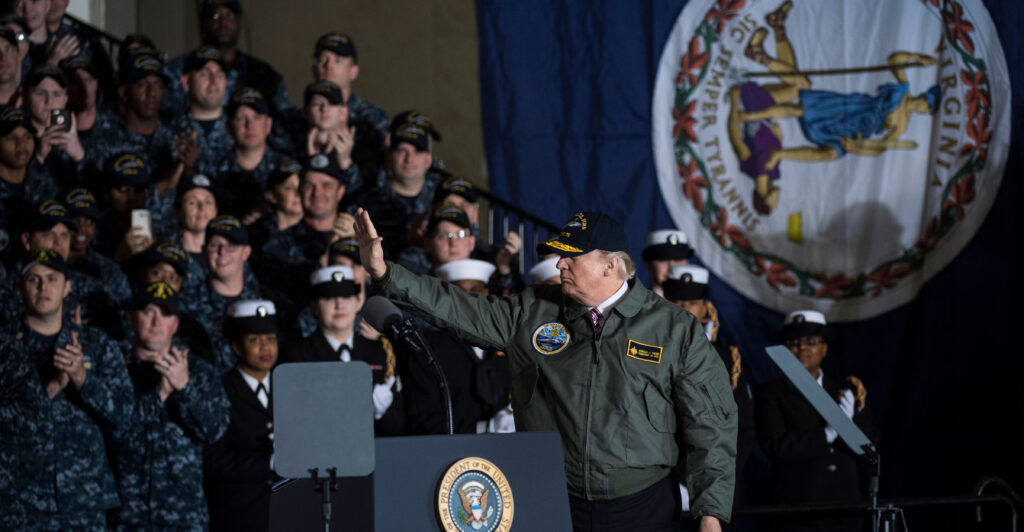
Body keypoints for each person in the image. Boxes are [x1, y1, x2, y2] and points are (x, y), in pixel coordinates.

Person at [355, 208, 737, 531]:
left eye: (572, 256)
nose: (559, 264)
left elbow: (712, 426)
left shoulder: (674, 329)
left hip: (644, 506)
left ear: (611, 265)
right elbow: (457, 308)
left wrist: (711, 513)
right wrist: (385, 273)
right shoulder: (532, 311)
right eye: (559, 254)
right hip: (552, 498)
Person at [0, 247, 132, 529]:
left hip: (83, 502)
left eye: (52, 279)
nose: (43, 287)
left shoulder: (97, 344)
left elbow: (124, 416)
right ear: (20, 287)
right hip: (19, 503)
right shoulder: (5, 346)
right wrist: (50, 388)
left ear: (67, 287)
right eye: (34, 279)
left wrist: (84, 380)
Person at [109, 280, 229, 529]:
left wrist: (185, 388)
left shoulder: (199, 371)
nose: (156, 322)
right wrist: (162, 392)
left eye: (165, 315)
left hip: (184, 515)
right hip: (127, 516)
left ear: (175, 324)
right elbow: (113, 435)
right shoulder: (113, 367)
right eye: (148, 312)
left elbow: (213, 431)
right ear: (132, 318)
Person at [755, 310, 879, 532]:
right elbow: (776, 447)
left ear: (825, 348)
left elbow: (870, 449)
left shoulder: (847, 390)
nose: (802, 348)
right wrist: (826, 435)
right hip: (797, 506)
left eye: (811, 341)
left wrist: (848, 429)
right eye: (794, 342)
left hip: (846, 505)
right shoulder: (772, 392)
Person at [663, 265, 755, 526]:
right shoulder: (646, 353)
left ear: (705, 308)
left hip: (712, 492)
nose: (684, 310)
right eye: (676, 302)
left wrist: (711, 487)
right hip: (660, 488)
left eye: (692, 302)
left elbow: (742, 430)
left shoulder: (728, 359)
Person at [280, 265, 404, 436]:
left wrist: (382, 413)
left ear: (358, 301)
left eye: (346, 296)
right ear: (315, 306)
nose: (339, 305)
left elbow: (399, 426)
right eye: (329, 297)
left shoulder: (379, 351)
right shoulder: (297, 355)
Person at [402, 258, 512, 435]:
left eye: (475, 291)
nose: (468, 300)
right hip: (450, 454)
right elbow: (423, 419)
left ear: (486, 293)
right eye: (460, 292)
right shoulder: (426, 349)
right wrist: (484, 429)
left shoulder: (506, 343)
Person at [205, 299, 282, 532]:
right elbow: (214, 463)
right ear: (236, 347)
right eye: (254, 340)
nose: (265, 348)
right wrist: (268, 462)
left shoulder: (291, 386)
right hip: (240, 515)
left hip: (288, 510)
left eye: (271, 339)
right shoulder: (220, 391)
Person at [162, 0, 289, 122]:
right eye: (216, 16)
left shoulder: (264, 75)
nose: (223, 22)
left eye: (229, 15)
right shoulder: (176, 70)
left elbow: (282, 124)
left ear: (239, 22)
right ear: (204, 24)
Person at [187, 214, 263, 374]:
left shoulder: (266, 299)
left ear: (246, 253)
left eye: (232, 245)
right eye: (215, 245)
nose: (222, 252)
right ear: (203, 251)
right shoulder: (187, 305)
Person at [215, 87, 285, 218]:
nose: (250, 125)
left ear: (268, 124)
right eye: (241, 118)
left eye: (257, 117)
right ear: (229, 126)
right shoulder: (214, 170)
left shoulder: (287, 170)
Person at [63, 187, 132, 305]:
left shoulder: (109, 269)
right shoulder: (49, 266)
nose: (82, 229)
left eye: (89, 222)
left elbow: (126, 309)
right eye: (74, 221)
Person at [169, 46, 232, 176]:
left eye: (219, 74)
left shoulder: (242, 128)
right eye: (204, 74)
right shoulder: (170, 132)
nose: (213, 81)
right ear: (186, 82)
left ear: (226, 81)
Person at [311, 31, 388, 136]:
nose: (329, 66)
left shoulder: (372, 117)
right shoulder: (293, 118)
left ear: (353, 71)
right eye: (323, 59)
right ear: (314, 69)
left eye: (338, 61)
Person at [641, 229, 694, 297]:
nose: (671, 267)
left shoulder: (703, 306)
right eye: (662, 259)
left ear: (687, 262)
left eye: (678, 259)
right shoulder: (636, 306)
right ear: (648, 264)